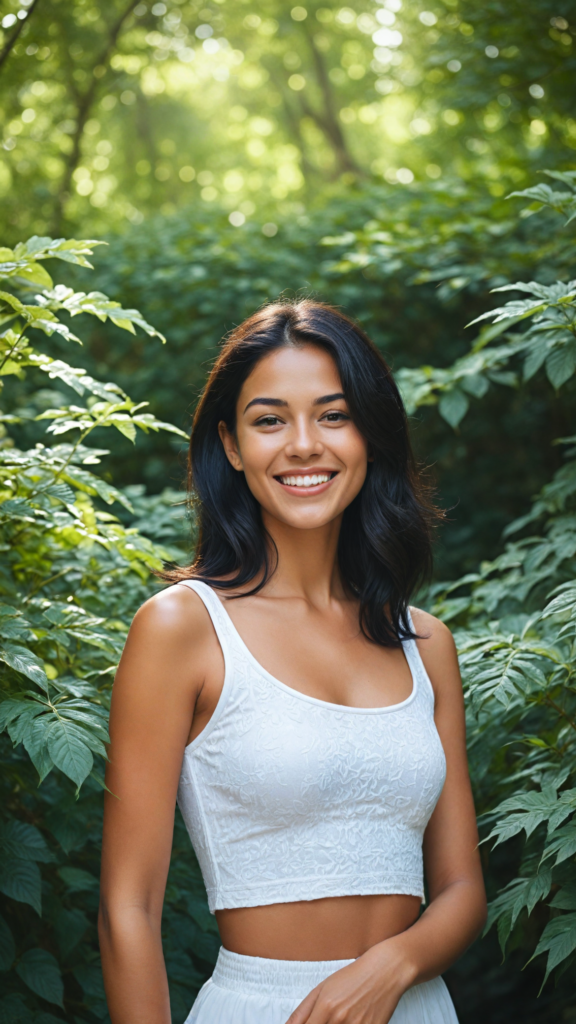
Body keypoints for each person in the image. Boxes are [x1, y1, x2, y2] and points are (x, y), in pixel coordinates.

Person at [99, 300, 487, 1024]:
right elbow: (129, 907)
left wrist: (390, 966)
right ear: (232, 445)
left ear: (369, 435)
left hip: (417, 1006)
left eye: (333, 416)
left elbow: (462, 890)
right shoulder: (182, 629)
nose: (303, 444)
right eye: (270, 420)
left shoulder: (425, 645)